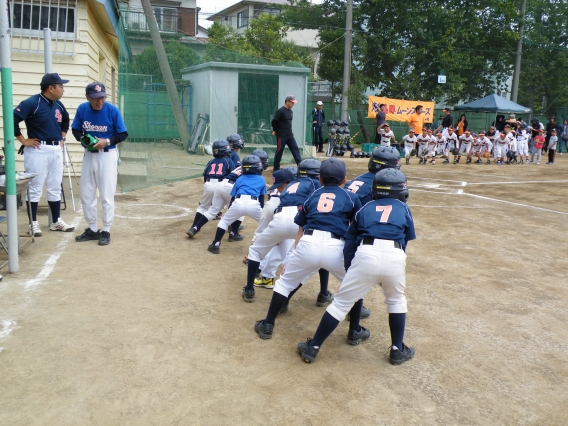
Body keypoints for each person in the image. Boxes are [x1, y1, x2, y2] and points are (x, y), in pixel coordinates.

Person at [297, 168, 416, 365]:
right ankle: (397, 350)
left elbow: (350, 243)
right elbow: (405, 240)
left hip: (365, 254)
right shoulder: (403, 209)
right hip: (395, 254)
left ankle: (313, 347)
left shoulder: (365, 208)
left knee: (341, 303)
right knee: (397, 300)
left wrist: (350, 270)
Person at [254, 158, 362, 340]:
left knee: (285, 283)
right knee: (356, 287)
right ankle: (354, 331)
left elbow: (300, 229)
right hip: (337, 247)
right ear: (344, 180)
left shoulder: (312, 196)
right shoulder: (352, 197)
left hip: (308, 242)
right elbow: (357, 229)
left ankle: (268, 324)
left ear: (320, 179)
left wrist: (294, 256)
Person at [242, 159, 323, 303]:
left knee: (255, 251)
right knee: (312, 259)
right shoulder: (314, 183)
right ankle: (288, 295)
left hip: (279, 217)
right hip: (299, 220)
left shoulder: (291, 184)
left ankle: (249, 289)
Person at [13, 72, 75, 237]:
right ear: (51, 88)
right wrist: (23, 140)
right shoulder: (33, 102)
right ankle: (32, 223)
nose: (63, 89)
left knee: (55, 186)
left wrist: (62, 136)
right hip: (38, 150)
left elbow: (66, 121)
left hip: (55, 149)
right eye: (61, 86)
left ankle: (56, 221)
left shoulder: (58, 105)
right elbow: (14, 117)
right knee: (34, 188)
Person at [72, 82, 128, 245]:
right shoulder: (83, 109)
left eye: (102, 97)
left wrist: (107, 140)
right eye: (96, 98)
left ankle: (106, 230)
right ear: (88, 97)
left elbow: (123, 133)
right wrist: (83, 139)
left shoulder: (112, 110)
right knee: (87, 192)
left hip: (107, 155)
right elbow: (76, 130)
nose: (100, 101)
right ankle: (92, 229)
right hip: (89, 155)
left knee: (106, 194)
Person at [207, 155, 267, 254]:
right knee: (266, 224)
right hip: (254, 204)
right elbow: (261, 198)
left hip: (238, 202)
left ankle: (215, 244)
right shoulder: (261, 179)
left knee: (224, 222)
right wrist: (262, 212)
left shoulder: (239, 179)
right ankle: (267, 247)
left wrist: (229, 210)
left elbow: (233, 197)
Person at [186, 140, 235, 238]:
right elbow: (233, 175)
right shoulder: (228, 161)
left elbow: (205, 175)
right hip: (222, 184)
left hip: (209, 184)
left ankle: (194, 227)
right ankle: (232, 229)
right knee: (232, 206)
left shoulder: (210, 161)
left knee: (203, 207)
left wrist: (207, 188)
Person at [271, 95, 302, 171]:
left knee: (295, 150)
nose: (293, 104)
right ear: (287, 101)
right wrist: (275, 130)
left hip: (290, 135)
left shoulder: (291, 111)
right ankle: (276, 168)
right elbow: (274, 122)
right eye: (292, 102)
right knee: (279, 152)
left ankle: (301, 166)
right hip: (281, 136)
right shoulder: (280, 111)